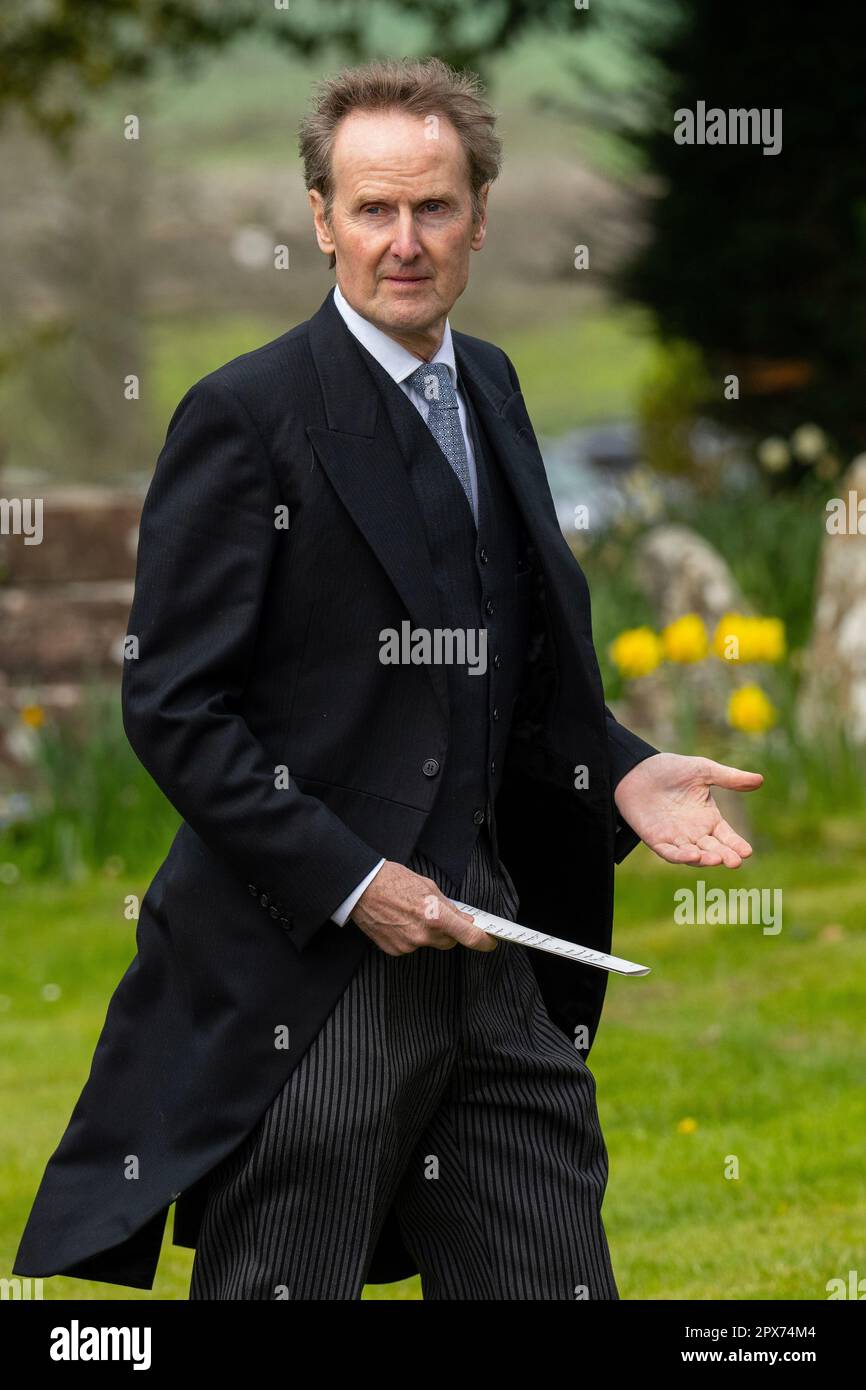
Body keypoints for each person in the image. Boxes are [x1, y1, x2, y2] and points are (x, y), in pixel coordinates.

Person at [13, 55, 762, 1300]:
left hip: (495, 939)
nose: (402, 242)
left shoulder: (497, 388)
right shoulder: (244, 417)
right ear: (320, 219)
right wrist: (354, 881)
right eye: (372, 209)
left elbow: (512, 676)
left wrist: (622, 774)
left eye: (432, 208)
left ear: (478, 215)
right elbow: (174, 707)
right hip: (316, 974)